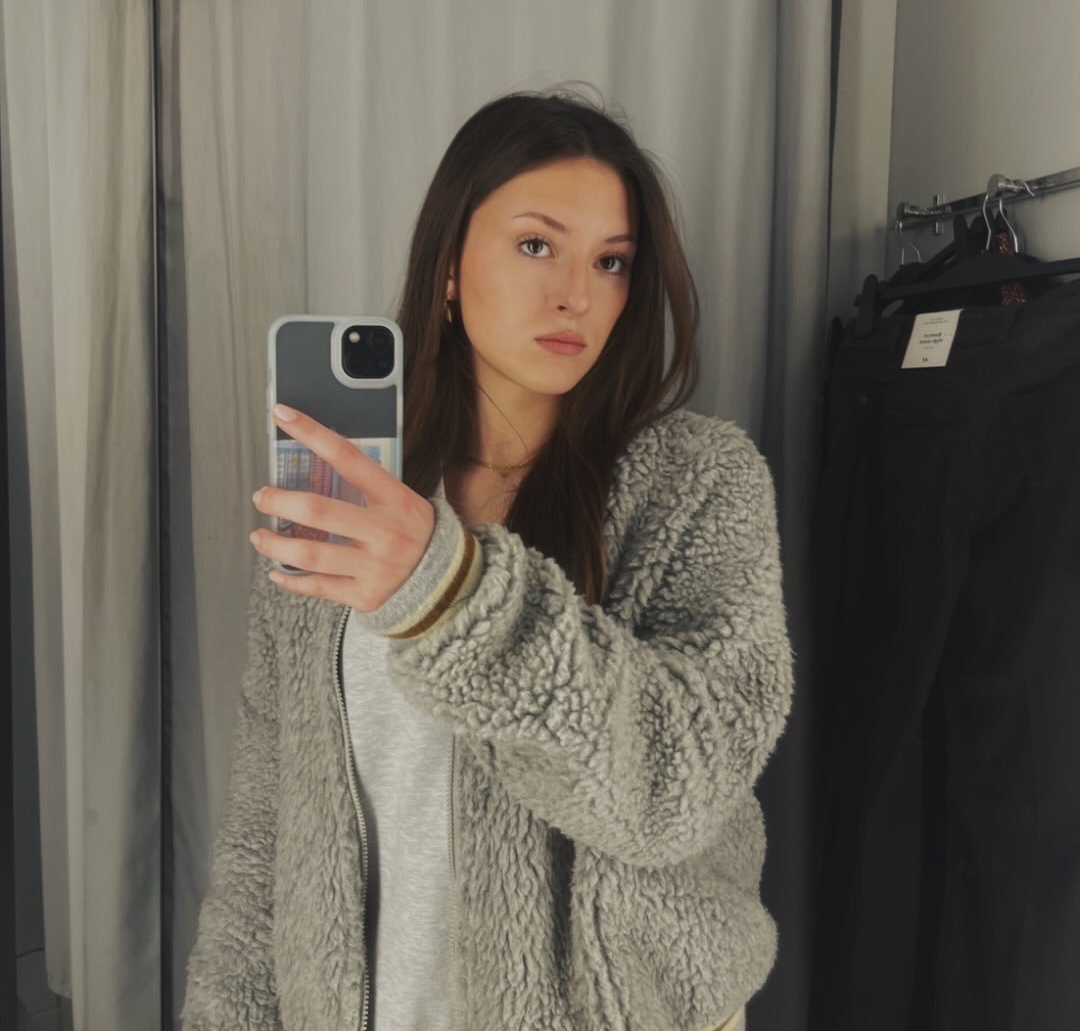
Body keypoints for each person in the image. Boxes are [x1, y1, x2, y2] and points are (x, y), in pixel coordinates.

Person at [180, 85, 793, 1031]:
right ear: (449, 270)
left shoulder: (697, 482)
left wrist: (450, 594)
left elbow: (682, 787)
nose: (576, 293)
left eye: (612, 261)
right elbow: (269, 827)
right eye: (537, 244)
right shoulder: (351, 500)